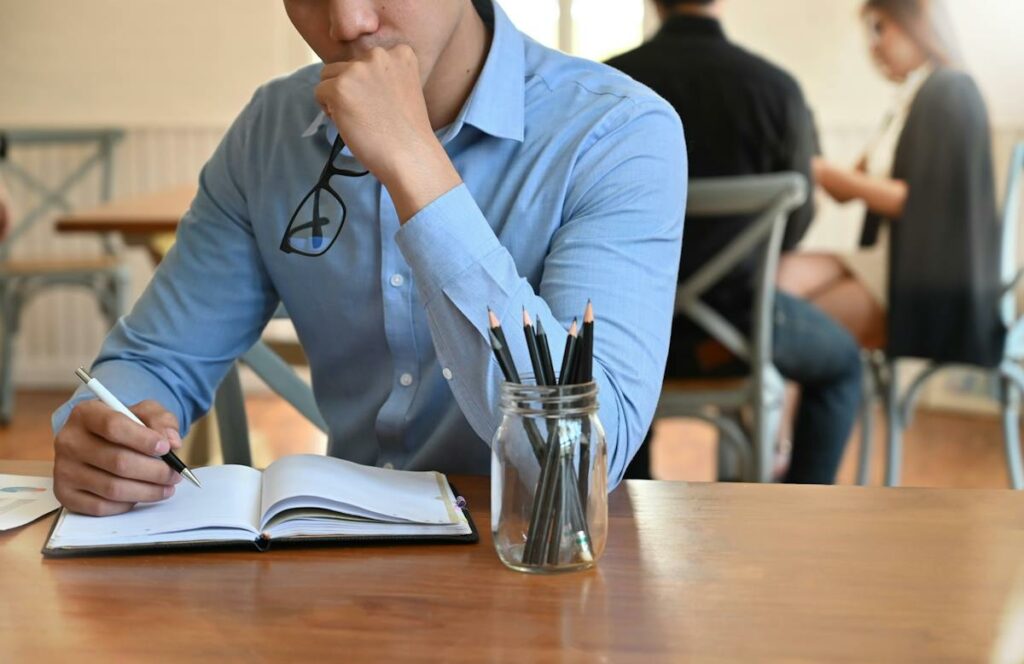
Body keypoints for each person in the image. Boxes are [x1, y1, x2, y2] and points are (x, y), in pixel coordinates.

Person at [49, 0, 687, 516]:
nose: (346, 22)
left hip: (531, 564)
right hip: (335, 568)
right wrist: (104, 432)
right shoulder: (270, 131)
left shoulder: (618, 133)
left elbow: (579, 460)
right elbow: (157, 360)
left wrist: (413, 162)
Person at [608, 0, 861, 484]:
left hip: (630, 337)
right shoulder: (776, 90)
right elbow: (797, 220)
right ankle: (798, 506)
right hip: (739, 333)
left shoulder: (610, 84)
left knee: (620, 382)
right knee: (843, 364)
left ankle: (623, 508)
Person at [777, 0, 1002, 366]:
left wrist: (822, 171)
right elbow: (844, 186)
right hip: (880, 256)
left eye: (880, 28)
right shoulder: (906, 102)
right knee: (775, 278)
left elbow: (917, 201)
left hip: (918, 274)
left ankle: (778, 417)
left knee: (782, 330)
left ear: (914, 21)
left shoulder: (951, 90)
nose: (873, 45)